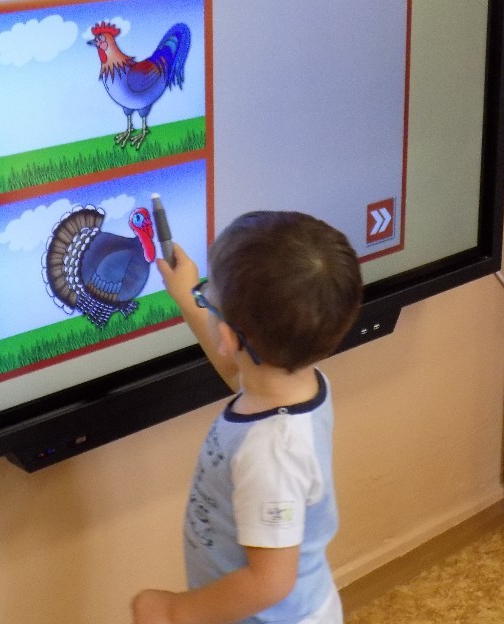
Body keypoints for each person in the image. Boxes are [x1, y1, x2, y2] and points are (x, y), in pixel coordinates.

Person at [132, 211, 363, 624]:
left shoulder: (271, 453)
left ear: (229, 336)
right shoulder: (293, 383)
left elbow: (270, 581)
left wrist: (174, 612)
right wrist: (188, 297)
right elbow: (236, 369)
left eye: (208, 297)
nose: (204, 299)